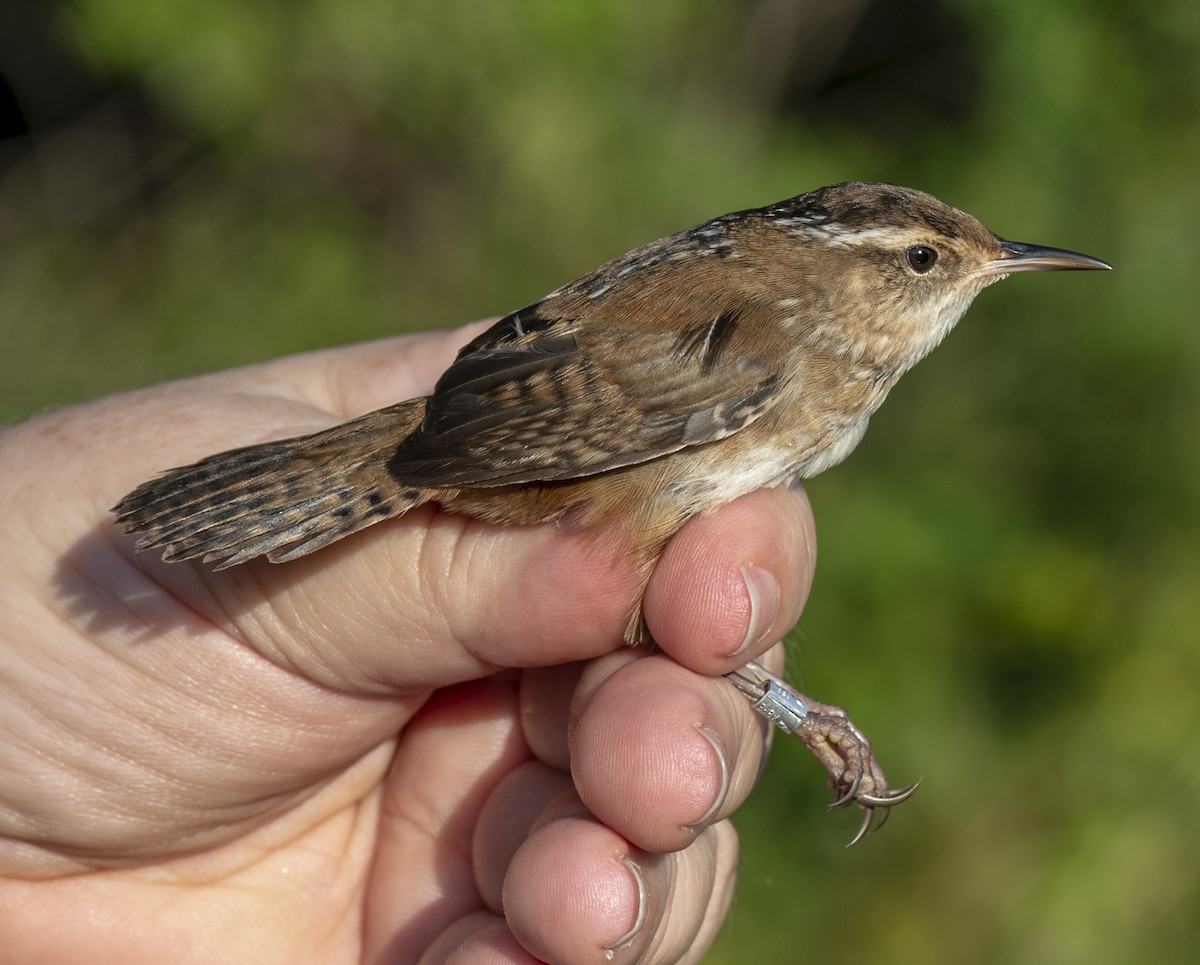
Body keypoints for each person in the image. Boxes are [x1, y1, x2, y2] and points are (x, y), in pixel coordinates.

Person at [0, 323, 816, 963]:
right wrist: (791, 704)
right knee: (656, 610)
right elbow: (628, 582)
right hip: (545, 470)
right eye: (923, 260)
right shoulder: (776, 350)